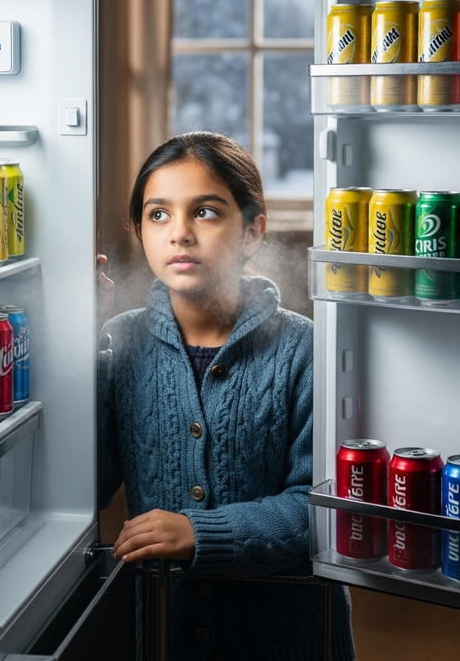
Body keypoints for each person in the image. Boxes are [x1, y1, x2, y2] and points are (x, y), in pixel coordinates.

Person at [97, 130, 355, 661]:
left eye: (207, 212)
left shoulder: (303, 348)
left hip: (287, 636)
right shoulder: (118, 342)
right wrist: (70, 348)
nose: (180, 234)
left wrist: (200, 532)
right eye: (159, 214)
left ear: (253, 231)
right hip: (163, 633)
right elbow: (84, 486)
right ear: (140, 231)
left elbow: (322, 509)